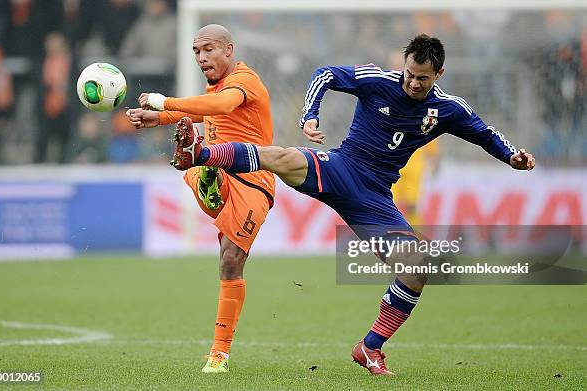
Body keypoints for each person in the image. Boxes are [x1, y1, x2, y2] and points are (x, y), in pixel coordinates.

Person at [148, 34, 536, 376]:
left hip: (374, 198)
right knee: (281, 157)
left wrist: (511, 157)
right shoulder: (378, 81)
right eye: (409, 74)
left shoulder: (449, 109)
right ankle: (201, 154)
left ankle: (370, 348)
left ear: (439, 75)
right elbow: (325, 74)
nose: (413, 83)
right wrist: (310, 115)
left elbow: (485, 134)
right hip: (341, 167)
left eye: (423, 78)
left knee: (417, 268)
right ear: (403, 66)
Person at [126, 24, 275, 373]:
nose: (201, 57)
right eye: (196, 51)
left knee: (230, 262)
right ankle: (204, 168)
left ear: (229, 49)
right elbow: (205, 110)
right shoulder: (216, 85)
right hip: (225, 174)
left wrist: (163, 101)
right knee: (197, 164)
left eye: (208, 49)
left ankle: (219, 354)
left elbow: (221, 105)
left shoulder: (244, 80)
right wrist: (158, 118)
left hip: (253, 180)